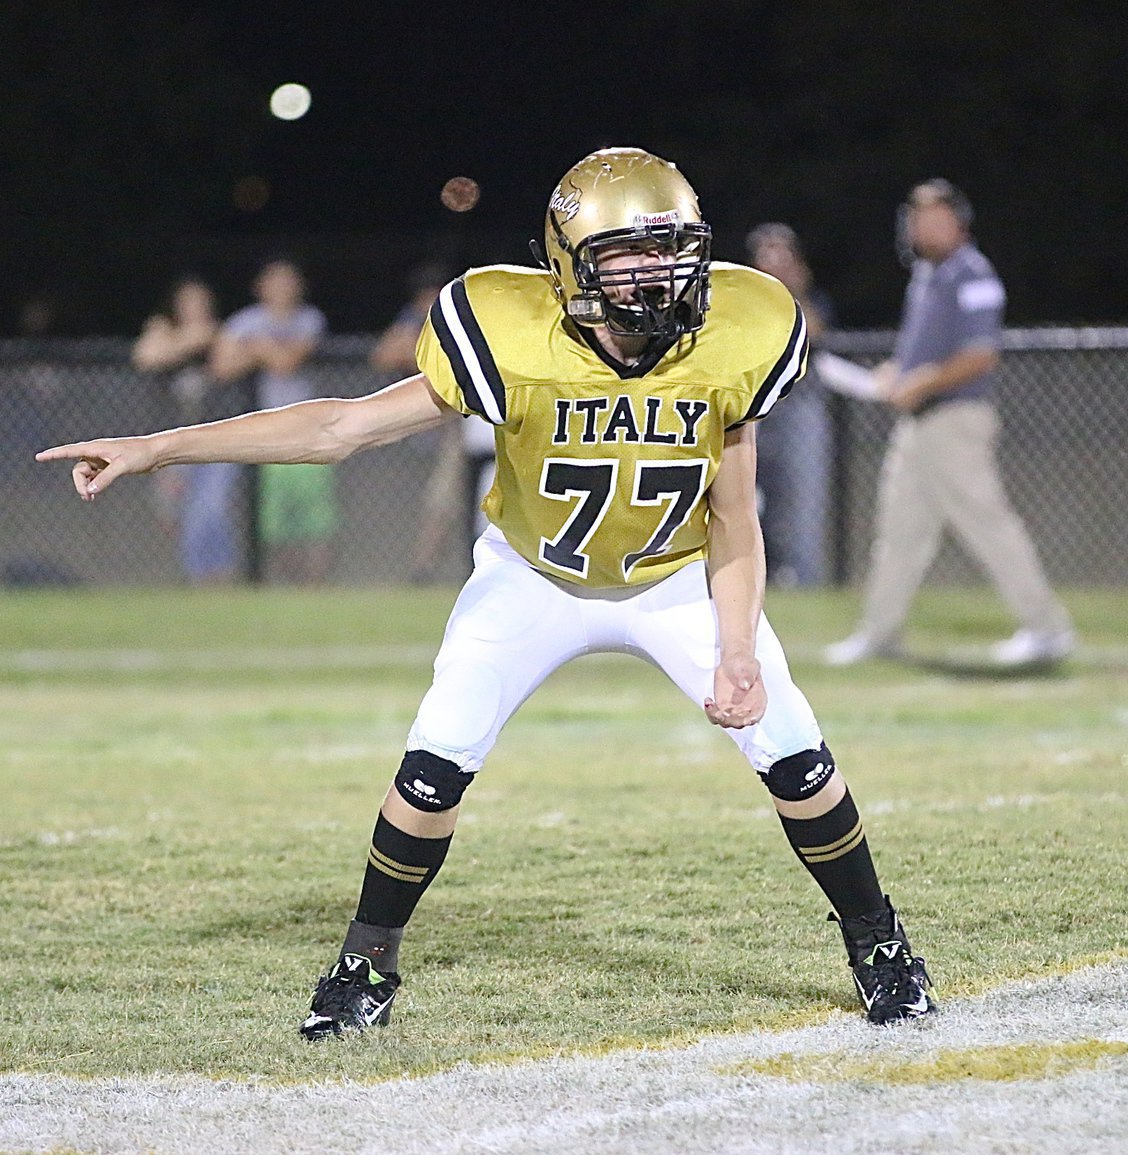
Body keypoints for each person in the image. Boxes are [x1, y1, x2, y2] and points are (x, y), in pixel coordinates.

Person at [37, 148, 937, 1035]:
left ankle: (879, 943)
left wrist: (738, 646)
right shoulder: (510, 328)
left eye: (671, 248)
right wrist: (159, 446)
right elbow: (342, 427)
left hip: (672, 580)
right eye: (630, 252)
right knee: (432, 772)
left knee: (799, 758)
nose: (658, 274)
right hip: (531, 575)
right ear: (569, 263)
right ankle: (366, 959)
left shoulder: (739, 329)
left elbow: (735, 517)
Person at [825, 179, 1075, 667]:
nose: (925, 227)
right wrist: (898, 375)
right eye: (919, 218)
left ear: (959, 223)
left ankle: (1048, 630)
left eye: (936, 218)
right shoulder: (929, 275)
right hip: (920, 425)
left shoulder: (973, 275)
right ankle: (880, 634)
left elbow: (980, 355)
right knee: (899, 532)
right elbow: (925, 354)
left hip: (955, 421)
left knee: (988, 524)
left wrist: (922, 382)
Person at [209, 259, 334, 583]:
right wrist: (266, 351)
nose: (282, 288)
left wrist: (257, 347)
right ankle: (282, 583)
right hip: (265, 434)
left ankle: (315, 586)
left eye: (288, 280)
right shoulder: (244, 321)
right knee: (273, 521)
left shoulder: (309, 318)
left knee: (315, 519)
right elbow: (221, 366)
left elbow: (287, 362)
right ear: (260, 286)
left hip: (309, 431)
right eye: (274, 281)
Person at [372, 265, 497, 578]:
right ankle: (417, 565)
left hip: (452, 431)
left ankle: (428, 568)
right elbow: (384, 355)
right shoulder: (413, 322)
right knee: (415, 502)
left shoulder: (462, 323)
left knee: (446, 501)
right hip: (410, 432)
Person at [132, 278, 244, 583]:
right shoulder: (161, 330)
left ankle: (219, 579)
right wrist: (189, 340)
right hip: (173, 447)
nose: (195, 309)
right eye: (188, 302)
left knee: (210, 511)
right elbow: (146, 357)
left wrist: (203, 339)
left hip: (218, 444)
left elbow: (230, 365)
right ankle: (202, 582)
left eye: (201, 302)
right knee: (177, 518)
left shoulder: (223, 334)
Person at [745, 223, 836, 586]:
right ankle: (755, 577)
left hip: (800, 407)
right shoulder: (740, 299)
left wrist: (791, 289)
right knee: (746, 501)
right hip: (750, 412)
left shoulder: (808, 298)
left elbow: (816, 332)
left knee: (803, 502)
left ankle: (805, 580)